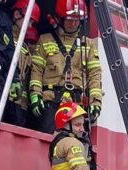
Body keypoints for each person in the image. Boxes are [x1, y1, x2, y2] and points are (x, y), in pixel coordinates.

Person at [29, 0, 102, 133]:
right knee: (49, 141)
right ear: (60, 18)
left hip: (76, 104)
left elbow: (95, 75)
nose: (73, 23)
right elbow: (36, 71)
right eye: (69, 20)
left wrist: (95, 102)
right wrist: (35, 95)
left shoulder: (88, 45)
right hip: (51, 102)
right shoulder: (45, 40)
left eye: (77, 20)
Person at [4, 0, 41, 127]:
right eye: (29, 20)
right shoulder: (5, 37)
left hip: (20, 103)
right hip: (4, 97)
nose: (30, 26)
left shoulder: (24, 46)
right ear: (16, 15)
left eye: (32, 22)